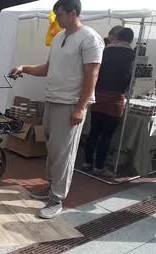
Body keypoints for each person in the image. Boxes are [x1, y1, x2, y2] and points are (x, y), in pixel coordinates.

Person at [10, 0, 104, 219]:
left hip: (71, 103)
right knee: (52, 150)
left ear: (73, 13)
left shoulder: (90, 38)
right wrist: (24, 68)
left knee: (64, 153)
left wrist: (81, 107)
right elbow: (48, 68)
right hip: (52, 100)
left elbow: (93, 75)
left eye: (58, 14)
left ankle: (56, 199)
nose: (56, 19)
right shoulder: (60, 37)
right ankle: (50, 188)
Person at [83, 28, 135, 177]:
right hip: (116, 99)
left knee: (94, 131)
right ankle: (99, 166)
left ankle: (87, 162)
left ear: (117, 37)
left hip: (98, 94)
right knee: (107, 135)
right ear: (130, 40)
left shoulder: (104, 51)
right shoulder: (131, 54)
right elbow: (129, 77)